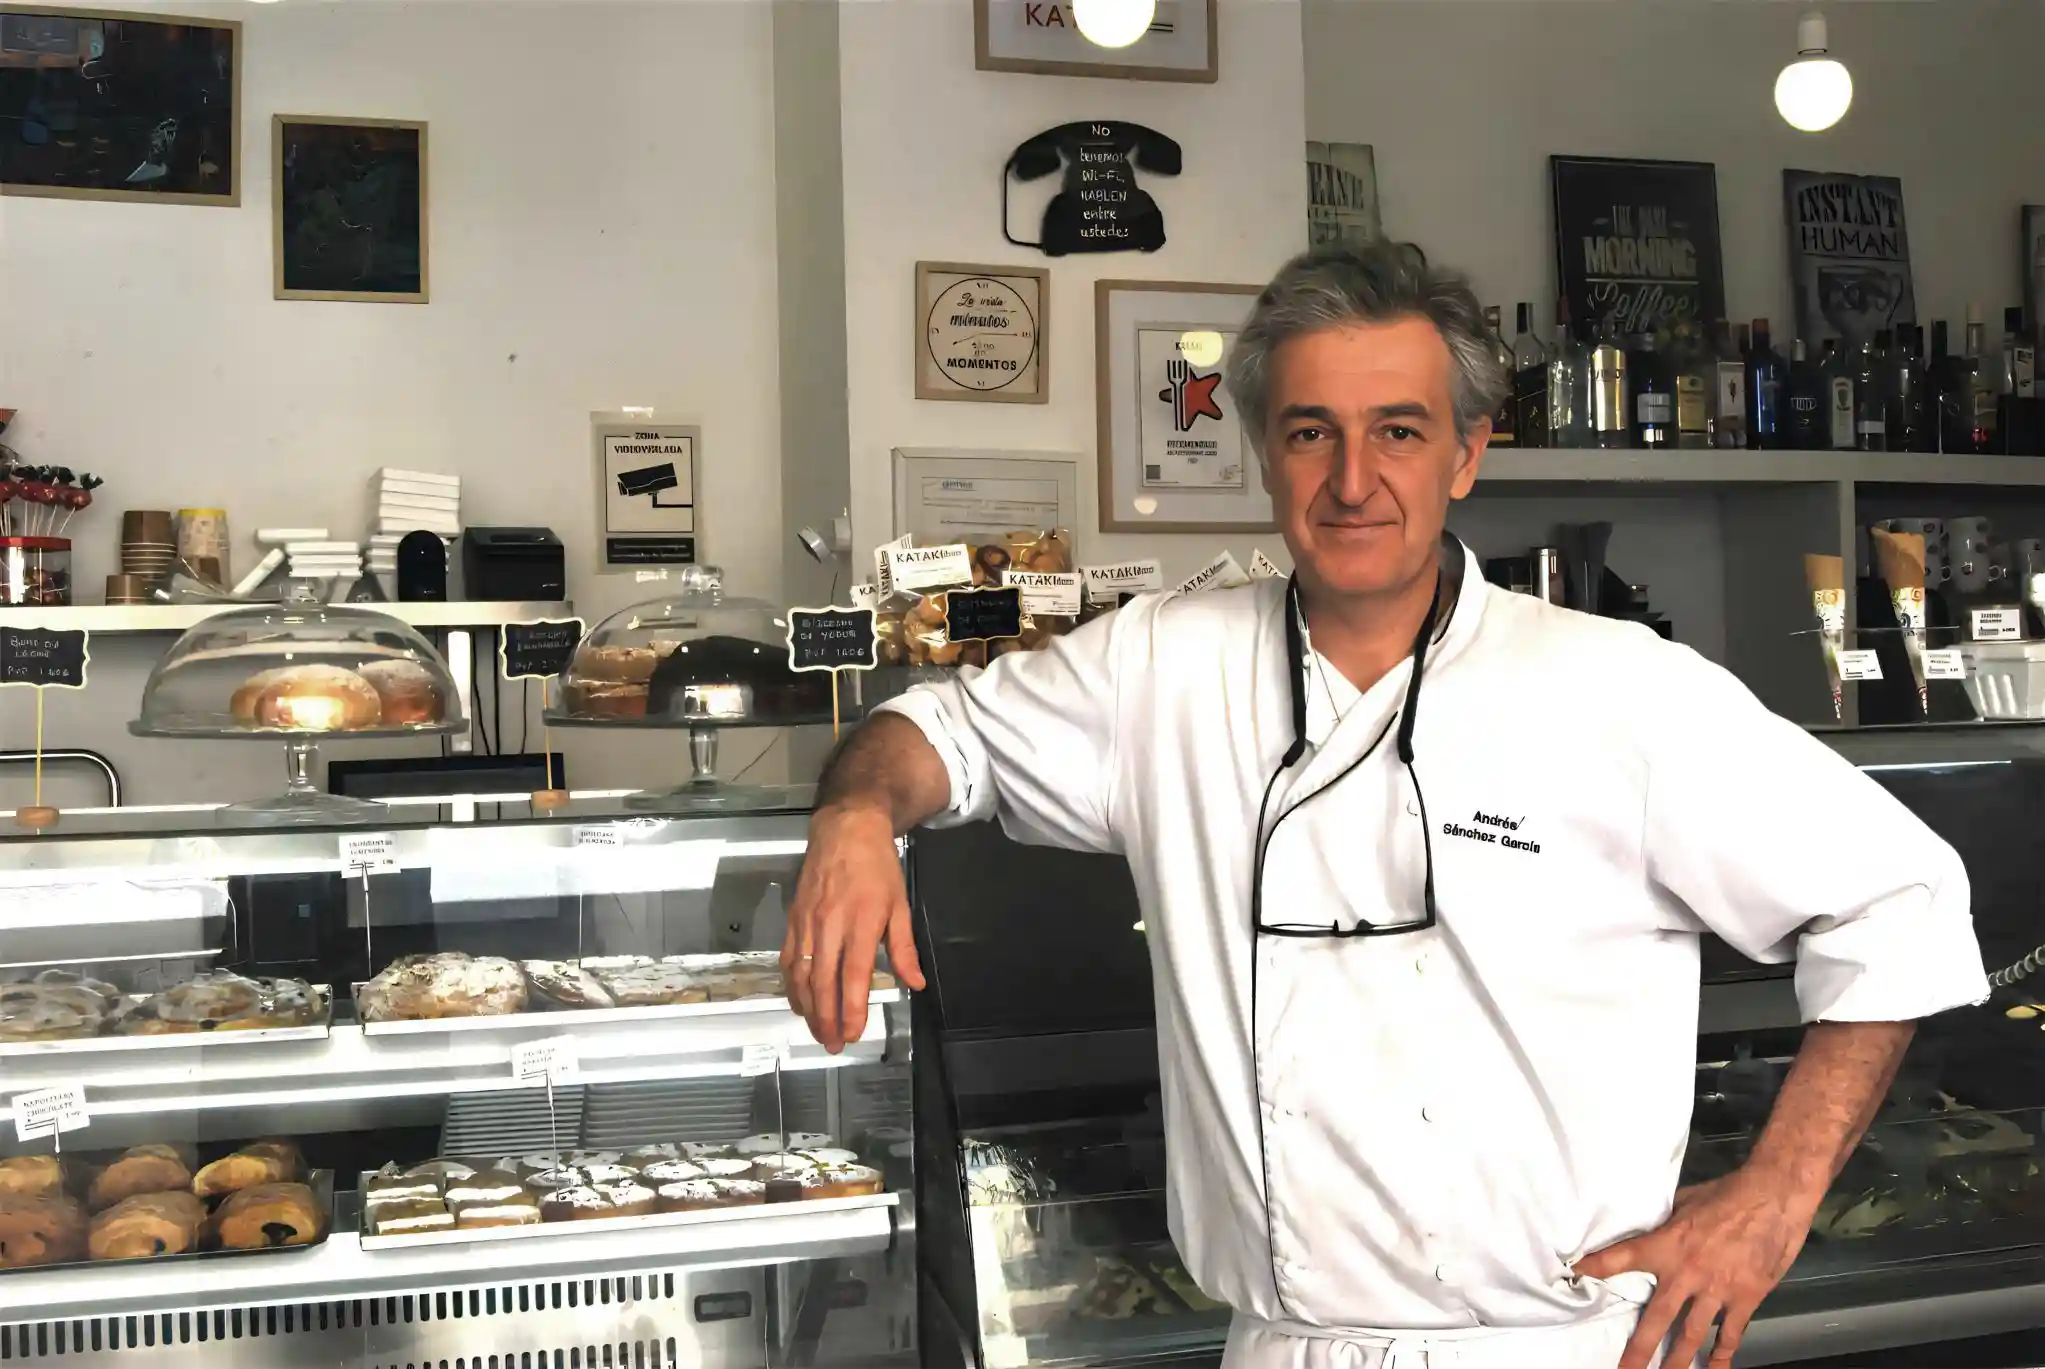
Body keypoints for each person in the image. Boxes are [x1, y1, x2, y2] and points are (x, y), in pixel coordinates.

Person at [781, 241, 1987, 1369]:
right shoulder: (1158, 668)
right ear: (1264, 450)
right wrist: (854, 816)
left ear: (1464, 454)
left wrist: (1769, 1204)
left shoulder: (1616, 686)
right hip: (1283, 1340)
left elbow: (1898, 899)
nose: (1352, 481)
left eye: (1396, 432)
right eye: (1312, 432)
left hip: (1552, 1345)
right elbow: (932, 732)